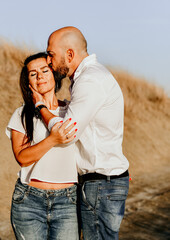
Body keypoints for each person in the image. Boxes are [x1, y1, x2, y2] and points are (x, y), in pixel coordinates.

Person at [32, 26, 129, 240]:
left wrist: (40, 106)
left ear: (69, 54)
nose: (48, 61)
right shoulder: (89, 77)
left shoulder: (90, 80)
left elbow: (66, 134)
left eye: (51, 54)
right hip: (104, 183)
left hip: (101, 184)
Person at [6, 52, 79, 240]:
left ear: (54, 74)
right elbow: (22, 158)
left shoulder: (72, 111)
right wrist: (53, 139)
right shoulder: (22, 114)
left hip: (68, 201)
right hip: (29, 200)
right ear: (28, 81)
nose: (39, 76)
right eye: (33, 73)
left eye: (45, 70)